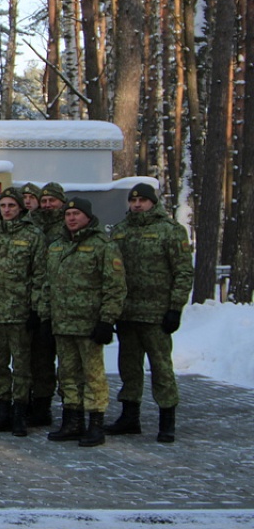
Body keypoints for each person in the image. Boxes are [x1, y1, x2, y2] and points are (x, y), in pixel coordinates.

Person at [108, 183, 194, 443]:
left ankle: (167, 419)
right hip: (127, 313)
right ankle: (129, 417)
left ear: (153, 202)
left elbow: (183, 271)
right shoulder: (120, 231)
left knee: (161, 368)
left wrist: (175, 308)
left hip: (156, 313)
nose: (137, 205)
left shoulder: (170, 231)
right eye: (133, 201)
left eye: (143, 201)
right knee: (128, 367)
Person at [41, 197, 126, 447]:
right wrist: (46, 318)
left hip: (89, 324)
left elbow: (115, 286)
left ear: (87, 216)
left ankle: (95, 423)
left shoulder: (102, 245)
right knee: (67, 374)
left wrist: (107, 320)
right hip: (62, 323)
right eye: (68, 214)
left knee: (93, 376)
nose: (71, 218)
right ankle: (72, 420)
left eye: (77, 214)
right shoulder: (56, 246)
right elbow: (48, 284)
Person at [0, 187, 47, 436]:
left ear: (21, 208)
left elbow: (40, 275)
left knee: (21, 366)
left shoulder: (33, 235)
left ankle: (20, 411)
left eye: (11, 206)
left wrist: (36, 309)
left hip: (20, 312)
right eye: (3, 206)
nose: (7, 210)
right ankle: (0, 408)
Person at [26, 181, 67, 426]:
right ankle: (41, 407)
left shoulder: (71, 223)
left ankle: (73, 409)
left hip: (67, 305)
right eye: (44, 201)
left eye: (52, 200)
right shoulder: (32, 225)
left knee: (69, 365)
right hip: (39, 303)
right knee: (39, 361)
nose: (48, 205)